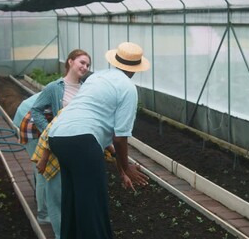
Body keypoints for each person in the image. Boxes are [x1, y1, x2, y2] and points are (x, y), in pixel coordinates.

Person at [47, 42, 150, 239]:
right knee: (93, 206)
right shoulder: (128, 88)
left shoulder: (96, 77)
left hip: (58, 136)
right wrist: (127, 167)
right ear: (135, 69)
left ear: (116, 61)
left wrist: (121, 169)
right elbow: (120, 137)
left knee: (73, 202)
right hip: (82, 142)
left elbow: (105, 132)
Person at [30, 49, 91, 239]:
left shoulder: (87, 88)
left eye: (88, 65)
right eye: (82, 62)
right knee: (56, 196)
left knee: (75, 194)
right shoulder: (54, 87)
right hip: (57, 147)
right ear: (70, 62)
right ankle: (60, 235)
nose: (85, 67)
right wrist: (51, 130)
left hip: (79, 148)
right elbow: (36, 110)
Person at [13, 92, 52, 225]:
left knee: (40, 166)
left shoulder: (74, 87)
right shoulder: (71, 94)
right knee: (42, 170)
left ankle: (40, 198)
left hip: (29, 114)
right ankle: (43, 215)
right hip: (28, 120)